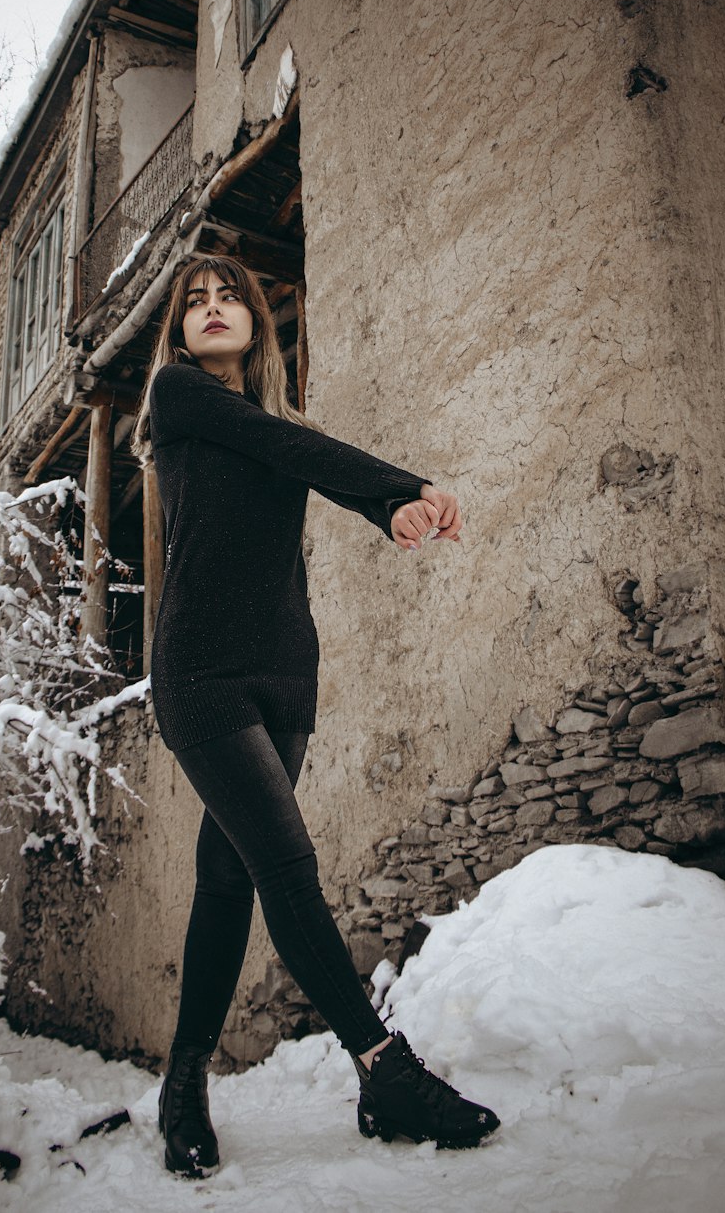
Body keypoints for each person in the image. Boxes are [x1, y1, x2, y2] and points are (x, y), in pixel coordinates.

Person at [130, 253, 500, 1177]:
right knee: (289, 865)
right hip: (201, 675)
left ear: (257, 321)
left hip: (285, 676)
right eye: (195, 302)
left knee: (230, 878)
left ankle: (182, 1084)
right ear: (177, 330)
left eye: (229, 299)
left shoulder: (262, 421)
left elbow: (288, 448)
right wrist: (399, 490)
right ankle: (385, 1069)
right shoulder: (179, 397)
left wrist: (392, 513)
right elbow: (299, 451)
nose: (212, 310)